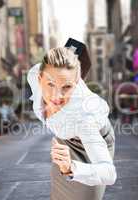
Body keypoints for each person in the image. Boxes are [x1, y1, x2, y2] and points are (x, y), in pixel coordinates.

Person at [27, 47, 116, 200]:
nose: (57, 96)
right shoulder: (34, 74)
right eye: (50, 84)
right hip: (67, 137)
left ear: (75, 84)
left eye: (66, 87)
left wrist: (70, 168)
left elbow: (109, 174)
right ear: (40, 78)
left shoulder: (84, 118)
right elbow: (76, 48)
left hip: (91, 140)